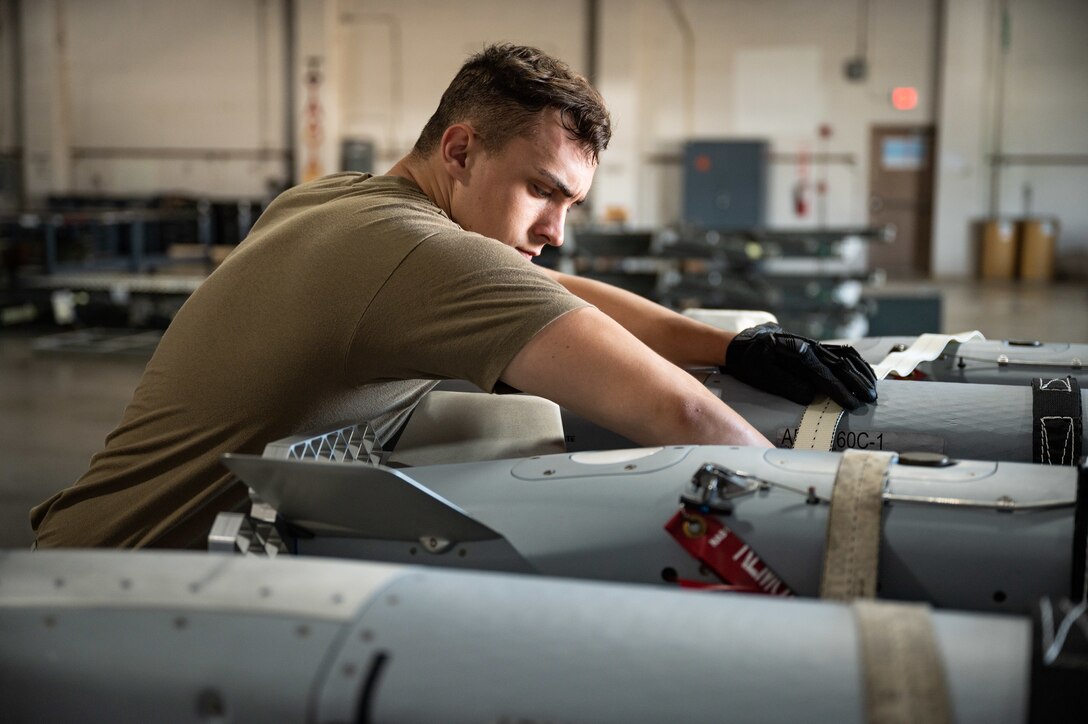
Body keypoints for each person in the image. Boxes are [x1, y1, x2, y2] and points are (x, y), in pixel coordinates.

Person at [31, 43, 875, 549]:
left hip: (92, 542)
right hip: (130, 573)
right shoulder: (413, 253)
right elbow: (686, 421)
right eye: (542, 191)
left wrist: (730, 346)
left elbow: (548, 289)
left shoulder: (339, 200)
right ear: (462, 149)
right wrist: (839, 518)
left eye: (571, 204)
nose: (557, 228)